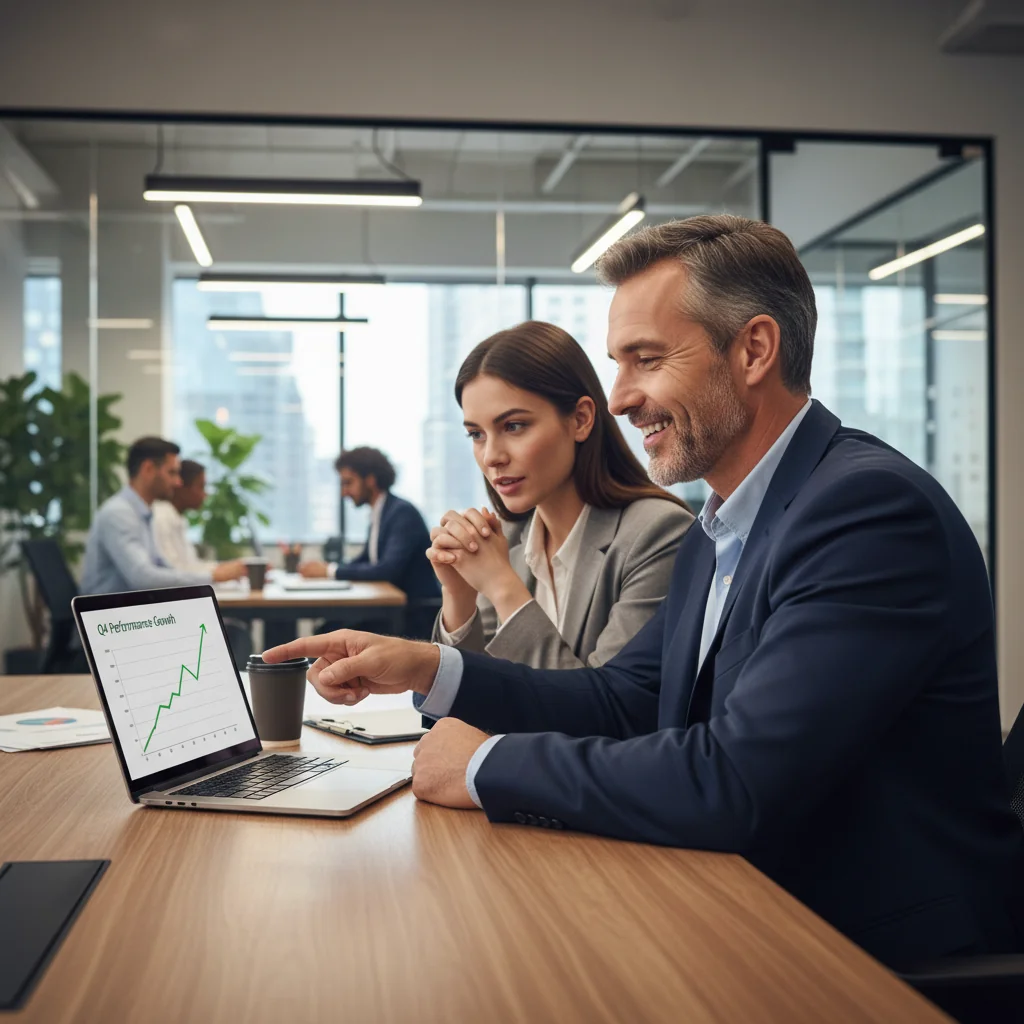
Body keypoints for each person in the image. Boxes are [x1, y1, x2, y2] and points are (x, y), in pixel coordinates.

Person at [264, 215, 1024, 968]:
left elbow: (736, 779)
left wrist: (484, 764)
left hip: (864, 943)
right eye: (617, 364)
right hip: (745, 897)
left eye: (646, 359)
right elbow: (622, 701)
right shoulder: (719, 524)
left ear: (754, 349)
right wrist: (429, 670)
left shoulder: (866, 512)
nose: (621, 398)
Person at [427, 321, 692, 669]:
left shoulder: (658, 533)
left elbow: (608, 709)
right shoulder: (509, 540)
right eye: (476, 434)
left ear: (581, 419)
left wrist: (502, 587)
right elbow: (461, 700)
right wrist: (459, 598)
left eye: (514, 426)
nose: (491, 456)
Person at [299, 447, 439, 635]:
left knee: (329, 631)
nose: (344, 492)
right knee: (328, 628)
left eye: (348, 483)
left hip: (412, 617)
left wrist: (330, 571)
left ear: (370, 480)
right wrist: (327, 569)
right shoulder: (380, 512)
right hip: (391, 612)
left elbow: (386, 569)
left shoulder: (402, 513)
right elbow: (366, 559)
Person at [81, 438, 246, 594]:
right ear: (148, 469)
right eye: (172, 473)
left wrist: (215, 573)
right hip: (109, 619)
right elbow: (143, 578)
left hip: (133, 614)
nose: (178, 482)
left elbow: (165, 568)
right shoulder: (118, 513)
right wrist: (213, 577)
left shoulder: (143, 512)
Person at [151, 459, 216, 573]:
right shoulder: (161, 518)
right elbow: (174, 571)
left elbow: (190, 565)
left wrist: (222, 569)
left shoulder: (176, 518)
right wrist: (218, 573)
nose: (205, 495)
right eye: (201, 487)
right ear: (181, 486)